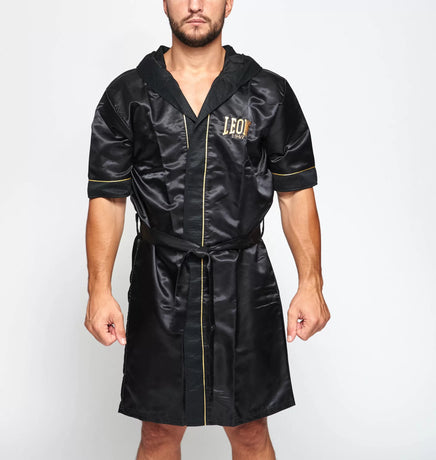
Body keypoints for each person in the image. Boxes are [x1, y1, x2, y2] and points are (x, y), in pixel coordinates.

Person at [84, 0, 330, 458]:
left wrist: (311, 283)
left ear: (228, 3)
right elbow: (108, 198)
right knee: (158, 431)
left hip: (243, 281)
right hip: (160, 283)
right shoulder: (129, 94)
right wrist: (98, 290)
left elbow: (295, 192)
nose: (195, 5)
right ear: (164, 2)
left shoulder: (267, 93)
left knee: (250, 429)